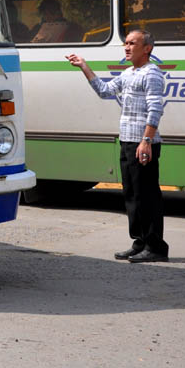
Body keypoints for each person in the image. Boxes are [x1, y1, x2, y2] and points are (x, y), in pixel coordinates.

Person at [65, 30, 168, 263]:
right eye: (126, 43)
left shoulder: (151, 74)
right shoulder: (130, 73)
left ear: (147, 49)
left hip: (143, 143)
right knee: (131, 195)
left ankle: (156, 247)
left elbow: (155, 110)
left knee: (147, 196)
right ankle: (140, 242)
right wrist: (84, 66)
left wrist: (146, 141)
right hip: (127, 141)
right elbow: (104, 90)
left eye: (132, 43)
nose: (127, 47)